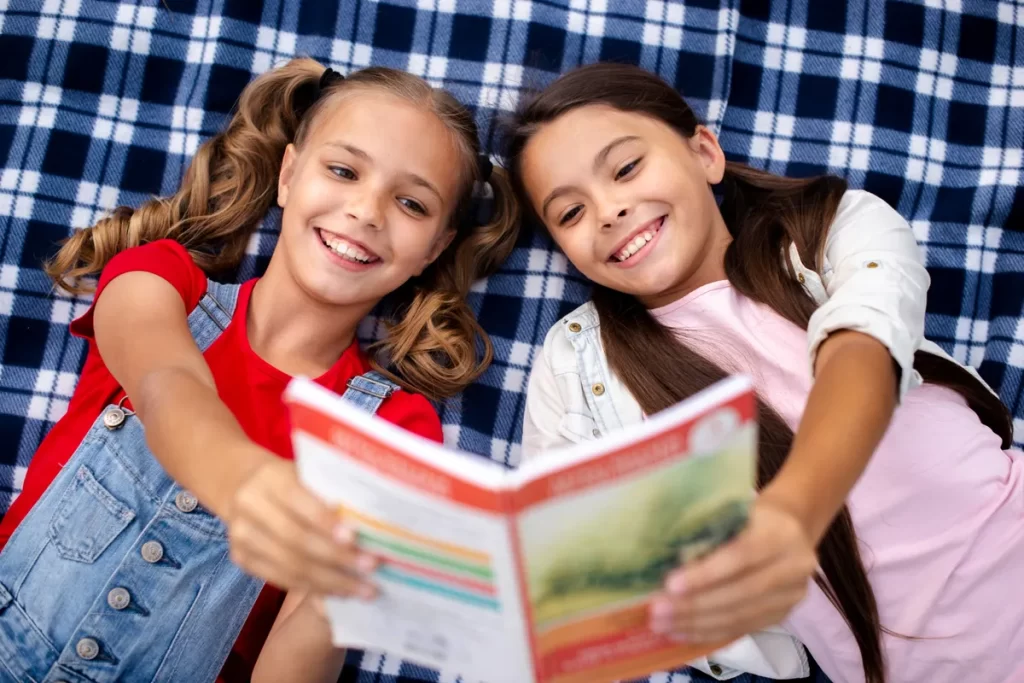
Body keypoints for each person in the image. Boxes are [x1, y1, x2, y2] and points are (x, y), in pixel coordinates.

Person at [502, 62, 1023, 683]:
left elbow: (866, 347)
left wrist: (792, 512)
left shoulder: (829, 228)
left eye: (626, 168)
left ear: (704, 153)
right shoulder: (576, 364)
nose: (609, 211)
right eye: (570, 213)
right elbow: (564, 560)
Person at [0, 58, 518, 682]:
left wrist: (346, 586)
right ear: (289, 175)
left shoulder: (393, 429)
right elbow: (167, 386)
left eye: (411, 203)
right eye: (344, 171)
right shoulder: (161, 280)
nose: (367, 211)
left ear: (434, 247)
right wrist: (241, 479)